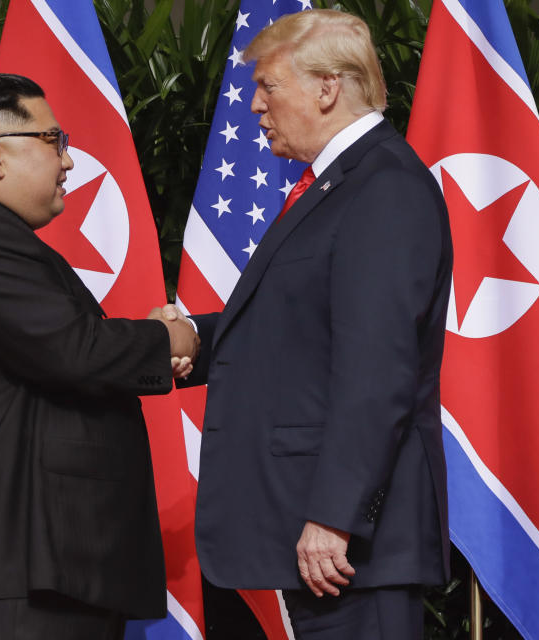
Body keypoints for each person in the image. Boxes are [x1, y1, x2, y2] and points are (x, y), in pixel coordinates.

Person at [165, 9, 453, 639]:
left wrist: (334, 515)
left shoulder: (383, 187)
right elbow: (295, 329)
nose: (256, 106)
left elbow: (378, 370)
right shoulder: (335, 186)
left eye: (268, 86)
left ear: (328, 87)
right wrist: (191, 337)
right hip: (311, 543)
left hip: (345, 551)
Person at [0, 72, 198, 640]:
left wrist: (179, 343)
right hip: (15, 572)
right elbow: (75, 352)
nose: (67, 161)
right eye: (53, 141)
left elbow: (65, 352)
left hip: (38, 569)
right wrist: (168, 341)